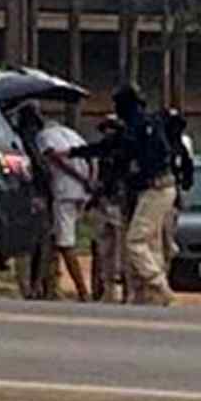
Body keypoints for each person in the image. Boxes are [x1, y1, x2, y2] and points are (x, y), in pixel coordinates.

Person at [62, 84, 177, 306]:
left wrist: (134, 168)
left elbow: (145, 155)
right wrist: (74, 152)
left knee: (135, 241)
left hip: (157, 187)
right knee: (148, 243)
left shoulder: (144, 126)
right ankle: (148, 295)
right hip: (147, 190)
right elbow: (109, 147)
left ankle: (159, 286)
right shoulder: (135, 126)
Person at [34, 105, 94, 302]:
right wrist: (89, 180)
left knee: (65, 243)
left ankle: (83, 291)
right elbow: (89, 156)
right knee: (53, 239)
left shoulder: (43, 136)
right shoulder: (72, 134)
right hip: (82, 192)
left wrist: (77, 177)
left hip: (65, 191)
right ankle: (42, 287)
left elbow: (53, 157)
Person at [78, 115, 129, 303]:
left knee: (123, 252)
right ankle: (107, 289)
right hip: (104, 204)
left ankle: (125, 291)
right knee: (103, 249)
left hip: (120, 205)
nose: (108, 133)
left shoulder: (125, 153)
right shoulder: (102, 155)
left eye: (113, 129)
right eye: (106, 129)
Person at [10, 102, 56, 300]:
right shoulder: (28, 141)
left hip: (21, 195)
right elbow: (41, 171)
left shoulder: (13, 139)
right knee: (38, 243)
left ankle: (30, 286)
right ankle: (32, 286)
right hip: (33, 195)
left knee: (29, 245)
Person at [161, 108, 194, 274]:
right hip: (156, 198)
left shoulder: (180, 148)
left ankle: (164, 273)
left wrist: (183, 189)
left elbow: (188, 173)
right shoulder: (158, 144)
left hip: (171, 201)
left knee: (167, 241)